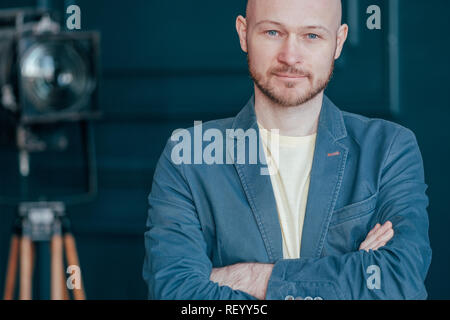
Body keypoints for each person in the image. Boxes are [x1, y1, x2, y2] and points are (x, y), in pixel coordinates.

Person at [143, 0, 431, 300]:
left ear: (338, 41)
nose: (290, 56)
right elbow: (177, 295)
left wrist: (253, 276)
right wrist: (350, 274)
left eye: (312, 36)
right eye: (272, 32)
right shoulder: (189, 155)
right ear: (243, 33)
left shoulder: (389, 148)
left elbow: (400, 282)